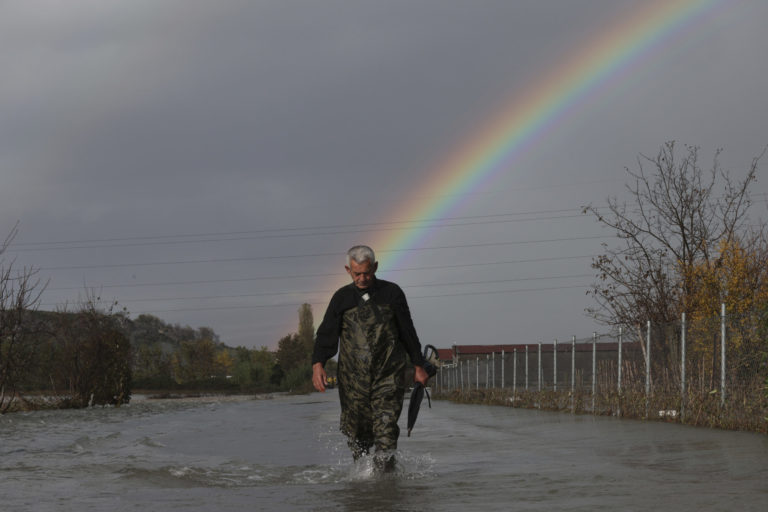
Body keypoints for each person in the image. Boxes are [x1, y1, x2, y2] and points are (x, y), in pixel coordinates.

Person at [312, 245, 429, 470]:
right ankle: (364, 489)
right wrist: (318, 364)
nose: (363, 278)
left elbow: (407, 331)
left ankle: (386, 489)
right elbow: (326, 334)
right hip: (353, 383)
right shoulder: (341, 298)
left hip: (388, 378)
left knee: (386, 434)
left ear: (375, 267)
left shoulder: (392, 294)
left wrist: (418, 364)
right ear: (348, 270)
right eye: (357, 273)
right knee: (358, 437)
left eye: (367, 272)